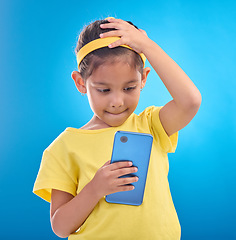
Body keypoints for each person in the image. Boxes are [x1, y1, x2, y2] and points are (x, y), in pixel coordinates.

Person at [33, 17, 201, 239]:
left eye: (129, 87)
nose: (117, 101)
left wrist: (147, 46)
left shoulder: (150, 125)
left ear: (143, 79)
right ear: (81, 83)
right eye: (104, 90)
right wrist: (95, 189)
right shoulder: (63, 147)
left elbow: (190, 101)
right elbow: (61, 227)